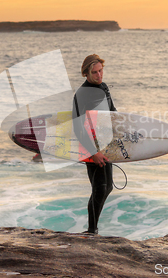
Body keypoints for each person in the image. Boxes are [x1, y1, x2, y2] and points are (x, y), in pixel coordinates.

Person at [72, 54, 116, 235]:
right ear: (86, 74)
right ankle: (92, 230)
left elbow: (113, 112)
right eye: (95, 72)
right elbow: (77, 127)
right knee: (99, 188)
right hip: (90, 145)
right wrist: (94, 152)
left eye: (101, 71)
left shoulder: (103, 88)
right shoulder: (82, 94)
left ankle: (93, 228)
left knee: (109, 186)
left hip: (105, 143)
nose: (99, 75)